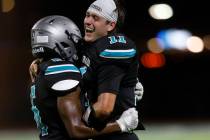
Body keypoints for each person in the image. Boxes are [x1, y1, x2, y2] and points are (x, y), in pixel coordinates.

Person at [29, 15, 139, 140]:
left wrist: (124, 87)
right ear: (62, 40)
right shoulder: (61, 70)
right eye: (75, 40)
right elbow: (76, 131)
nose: (78, 45)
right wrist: (121, 125)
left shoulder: (43, 69)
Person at [79, 0, 144, 139]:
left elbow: (104, 108)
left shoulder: (113, 48)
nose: (88, 21)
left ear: (110, 25)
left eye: (95, 18)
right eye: (87, 15)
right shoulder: (89, 46)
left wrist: (77, 122)